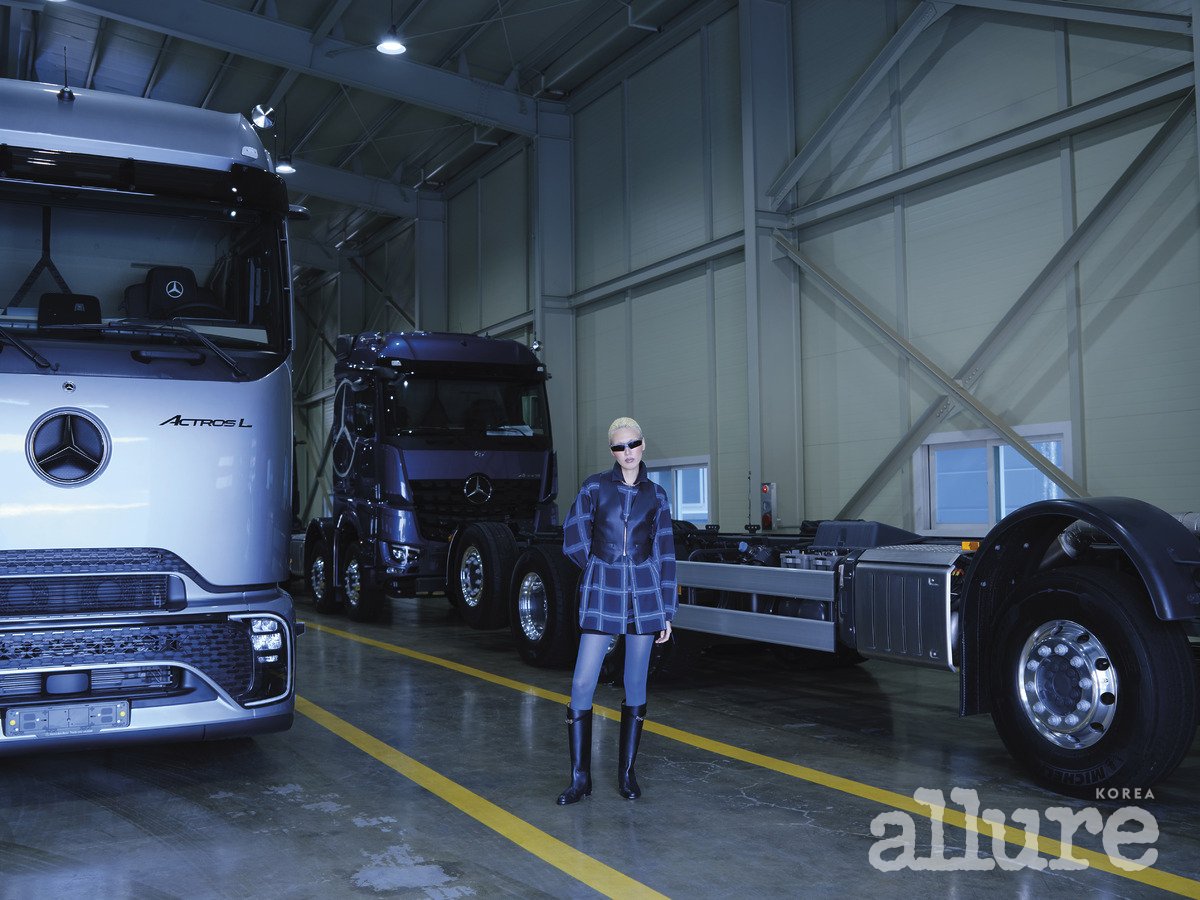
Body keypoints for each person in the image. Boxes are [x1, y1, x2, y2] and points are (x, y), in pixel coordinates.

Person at [557, 416, 677, 804]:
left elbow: (666, 553)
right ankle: (580, 779)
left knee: (635, 683)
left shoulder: (657, 495)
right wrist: (597, 567)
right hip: (604, 590)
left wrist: (667, 610)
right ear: (612, 450)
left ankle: (627, 774)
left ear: (643, 445)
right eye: (619, 447)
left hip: (645, 594)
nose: (627, 452)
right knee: (582, 683)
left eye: (633, 444)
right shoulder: (594, 487)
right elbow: (573, 535)